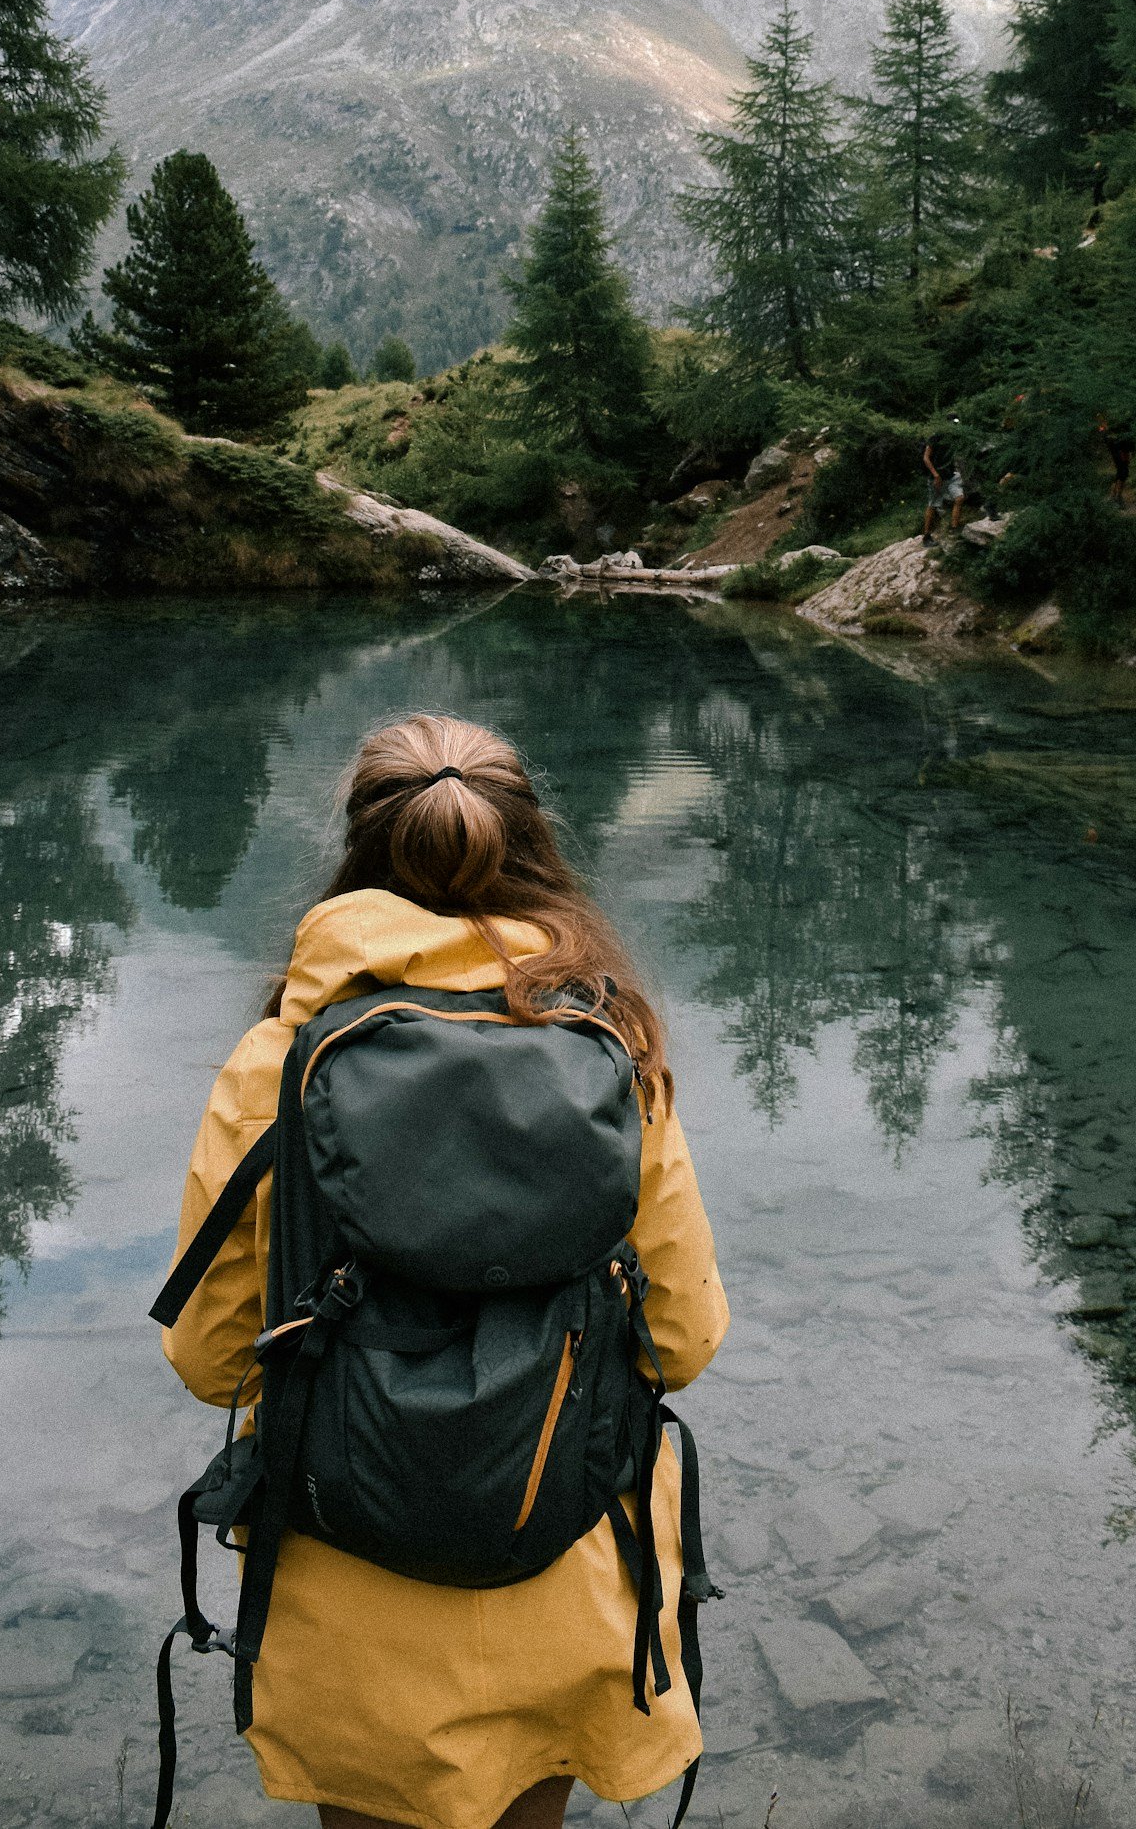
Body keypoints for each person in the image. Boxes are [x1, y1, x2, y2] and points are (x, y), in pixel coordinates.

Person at [161, 713, 729, 1829]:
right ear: (532, 847)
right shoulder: (609, 1043)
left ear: (360, 852)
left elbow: (211, 1355)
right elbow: (683, 1342)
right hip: (558, 1566)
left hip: (349, 1584)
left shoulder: (282, 1059)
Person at [922, 423, 966, 539]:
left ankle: (954, 528)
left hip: (950, 476)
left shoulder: (955, 437)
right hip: (937, 478)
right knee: (933, 504)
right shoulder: (935, 437)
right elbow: (926, 458)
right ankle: (926, 535)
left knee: (959, 498)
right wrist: (936, 475)